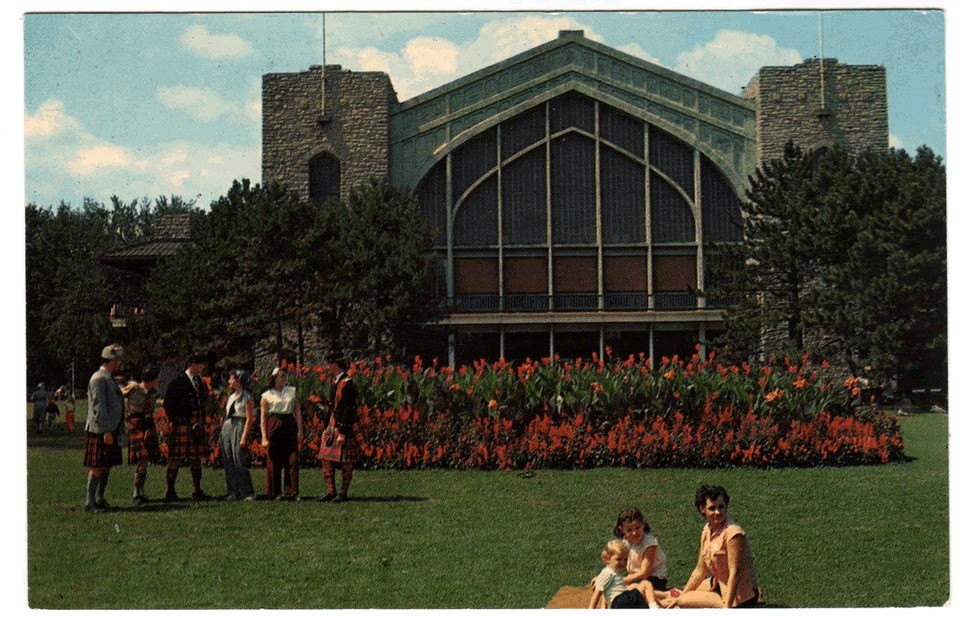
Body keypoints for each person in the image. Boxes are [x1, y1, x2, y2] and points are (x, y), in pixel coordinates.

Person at [658, 485, 760, 609]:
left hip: (738, 597)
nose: (718, 512)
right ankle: (664, 601)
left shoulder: (733, 534)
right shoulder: (707, 530)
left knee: (684, 601)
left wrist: (726, 609)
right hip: (719, 583)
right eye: (712, 508)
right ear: (702, 509)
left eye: (721, 507)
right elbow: (700, 570)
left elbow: (735, 574)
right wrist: (681, 596)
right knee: (683, 595)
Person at [162, 351, 212, 501]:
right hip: (182, 424)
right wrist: (175, 420)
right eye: (200, 364)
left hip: (197, 423)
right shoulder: (177, 382)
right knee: (175, 458)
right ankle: (170, 492)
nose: (202, 367)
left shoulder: (200, 382)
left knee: (196, 457)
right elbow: (168, 404)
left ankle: (197, 489)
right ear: (192, 364)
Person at [83, 345, 125, 512]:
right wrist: (106, 430)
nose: (120, 363)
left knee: (106, 464)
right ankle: (90, 501)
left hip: (110, 428)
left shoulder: (107, 377)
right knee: (97, 465)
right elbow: (98, 406)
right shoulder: (98, 378)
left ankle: (99, 498)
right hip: (100, 430)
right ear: (112, 361)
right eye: (118, 360)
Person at [318, 351, 359, 502]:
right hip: (332, 424)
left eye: (329, 364)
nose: (327, 366)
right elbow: (333, 405)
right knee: (325, 458)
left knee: (346, 461)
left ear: (336, 365)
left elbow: (349, 408)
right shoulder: (335, 381)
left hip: (342, 426)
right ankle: (331, 491)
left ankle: (343, 492)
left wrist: (343, 432)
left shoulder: (348, 383)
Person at [609, 507, 668, 608]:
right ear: (621, 529)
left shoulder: (649, 543)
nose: (634, 533)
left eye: (637, 528)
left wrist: (625, 579)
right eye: (629, 530)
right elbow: (616, 563)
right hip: (635, 579)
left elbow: (645, 572)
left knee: (631, 592)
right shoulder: (626, 542)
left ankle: (661, 599)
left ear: (643, 524)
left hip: (654, 580)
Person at [260, 366, 302, 501]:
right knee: (275, 460)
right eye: (281, 376)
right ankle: (275, 491)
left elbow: (298, 412)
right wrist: (264, 437)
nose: (284, 378)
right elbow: (263, 417)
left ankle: (293, 491)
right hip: (274, 425)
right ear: (274, 378)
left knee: (293, 459)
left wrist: (300, 430)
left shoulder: (292, 391)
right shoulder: (267, 395)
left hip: (289, 424)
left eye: (285, 376)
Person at [123, 366, 162, 504]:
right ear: (151, 379)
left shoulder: (153, 392)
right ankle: (136, 493)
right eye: (156, 377)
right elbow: (127, 409)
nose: (159, 380)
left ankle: (140, 491)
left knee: (145, 461)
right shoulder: (135, 390)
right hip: (137, 425)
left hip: (147, 424)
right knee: (142, 460)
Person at [589, 540, 659, 609]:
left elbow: (606, 592)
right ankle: (654, 608)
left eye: (625, 559)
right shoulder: (607, 573)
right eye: (618, 559)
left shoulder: (613, 572)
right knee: (645, 584)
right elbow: (597, 594)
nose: (623, 562)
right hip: (621, 600)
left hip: (618, 605)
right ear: (606, 558)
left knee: (635, 586)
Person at [221, 369, 256, 501]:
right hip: (228, 425)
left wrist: (244, 436)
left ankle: (247, 492)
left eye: (232, 379)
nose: (229, 381)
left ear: (238, 380)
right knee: (228, 458)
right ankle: (232, 491)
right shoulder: (231, 396)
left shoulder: (246, 397)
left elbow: (249, 418)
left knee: (238, 459)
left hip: (239, 424)